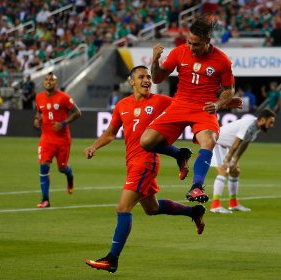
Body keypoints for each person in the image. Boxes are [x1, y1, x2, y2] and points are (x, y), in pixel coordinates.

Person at [84, 66, 205, 273]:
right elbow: (111, 133)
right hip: (132, 162)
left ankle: (112, 259)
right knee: (152, 209)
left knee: (123, 208)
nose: (147, 79)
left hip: (145, 163)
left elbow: (185, 108)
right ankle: (194, 211)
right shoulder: (122, 105)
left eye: (149, 76)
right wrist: (94, 146)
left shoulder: (160, 101)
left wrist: (214, 107)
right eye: (141, 77)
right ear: (132, 82)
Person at [140, 13, 239, 204]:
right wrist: (154, 62)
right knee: (145, 142)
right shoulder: (179, 52)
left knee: (208, 141)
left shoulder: (222, 61)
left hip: (204, 108)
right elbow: (158, 78)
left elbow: (229, 90)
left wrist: (218, 104)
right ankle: (180, 154)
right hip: (179, 104)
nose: (191, 48)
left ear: (207, 41)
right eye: (189, 43)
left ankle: (196, 187)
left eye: (196, 44)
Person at [210, 109, 276, 214]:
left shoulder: (256, 128)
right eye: (270, 122)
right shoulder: (249, 123)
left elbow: (245, 144)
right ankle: (215, 205)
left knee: (235, 172)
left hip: (225, 146)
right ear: (263, 119)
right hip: (216, 142)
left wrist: (235, 160)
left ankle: (233, 204)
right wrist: (227, 160)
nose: (272, 125)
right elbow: (237, 142)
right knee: (223, 170)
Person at [34, 72, 82, 208]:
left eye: (52, 80)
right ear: (44, 82)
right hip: (46, 139)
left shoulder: (64, 98)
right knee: (43, 165)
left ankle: (69, 175)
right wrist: (37, 119)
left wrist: (64, 123)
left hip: (62, 139)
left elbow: (78, 112)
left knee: (61, 168)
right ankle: (45, 200)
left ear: (56, 83)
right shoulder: (38, 97)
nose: (49, 81)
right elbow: (39, 111)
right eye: (47, 79)